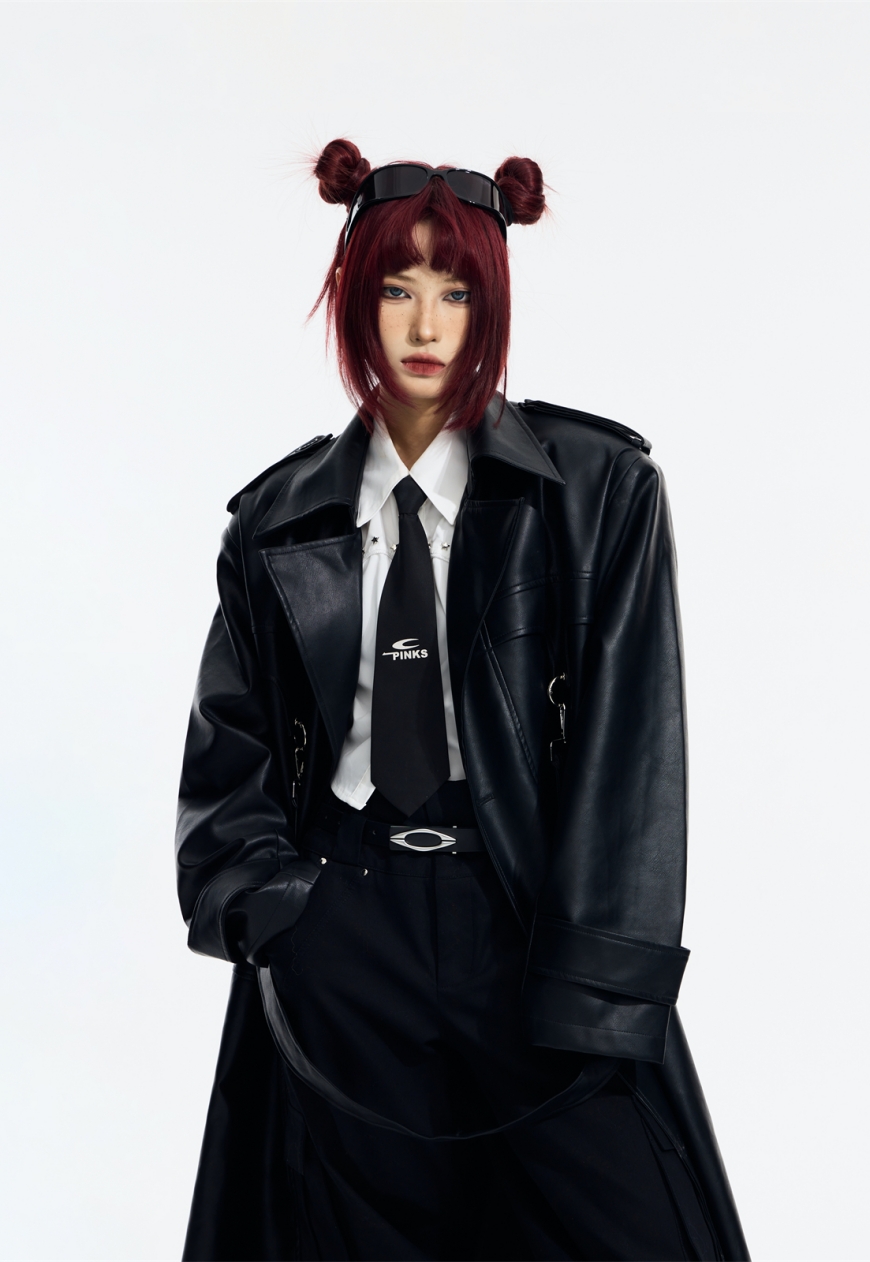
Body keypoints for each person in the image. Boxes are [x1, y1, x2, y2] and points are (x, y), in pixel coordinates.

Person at [176, 138, 749, 1262]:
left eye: (456, 292)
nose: (426, 325)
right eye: (398, 289)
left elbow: (634, 761)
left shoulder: (598, 492)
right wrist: (283, 918)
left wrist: (601, 990)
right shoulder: (277, 521)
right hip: (344, 918)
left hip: (527, 917)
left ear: (493, 304)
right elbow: (226, 755)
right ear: (355, 299)